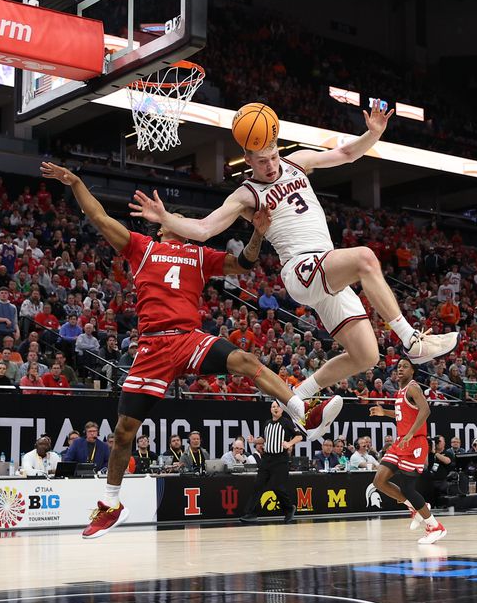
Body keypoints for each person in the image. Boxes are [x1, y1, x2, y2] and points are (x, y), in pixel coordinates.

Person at [40, 161, 341, 540]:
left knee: (245, 360)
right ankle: (111, 504)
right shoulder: (142, 247)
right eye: (175, 217)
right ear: (163, 226)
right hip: (152, 346)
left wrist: (258, 235)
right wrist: (77, 181)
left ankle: (303, 413)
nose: (179, 219)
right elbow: (99, 218)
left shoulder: (200, 256)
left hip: (188, 338)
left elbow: (244, 264)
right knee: (123, 431)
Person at [128, 103, 458, 407]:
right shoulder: (246, 194)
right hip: (301, 268)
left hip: (326, 268)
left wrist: (372, 133)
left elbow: (345, 154)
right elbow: (202, 229)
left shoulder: (296, 161)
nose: (270, 165)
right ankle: (412, 341)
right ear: (247, 160)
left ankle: (298, 396)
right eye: (261, 161)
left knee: (366, 355)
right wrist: (166, 218)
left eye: (272, 156)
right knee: (365, 258)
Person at [367, 358, 445, 544]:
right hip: (401, 442)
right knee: (379, 481)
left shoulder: (413, 387)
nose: (400, 369)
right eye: (399, 366)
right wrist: (384, 413)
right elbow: (404, 415)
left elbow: (425, 410)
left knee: (407, 488)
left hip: (415, 442)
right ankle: (417, 507)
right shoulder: (400, 391)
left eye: (405, 366)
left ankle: (435, 526)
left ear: (412, 371)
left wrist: (411, 434)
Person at [239, 401, 303, 524]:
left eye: (277, 406)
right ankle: (251, 513)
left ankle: (289, 509)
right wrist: (255, 441)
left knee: (277, 487)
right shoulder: (267, 423)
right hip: (267, 459)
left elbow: (299, 436)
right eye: (273, 406)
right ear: (270, 409)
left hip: (280, 459)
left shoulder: (286, 422)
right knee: (258, 485)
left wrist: (289, 443)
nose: (275, 408)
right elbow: (264, 438)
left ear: (282, 410)